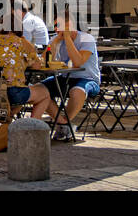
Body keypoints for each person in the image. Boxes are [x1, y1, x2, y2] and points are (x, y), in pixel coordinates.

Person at [28, 9, 101, 141]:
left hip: (87, 78)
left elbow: (78, 62)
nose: (56, 29)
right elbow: (44, 62)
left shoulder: (86, 38)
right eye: (55, 25)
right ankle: (63, 123)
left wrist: (67, 38)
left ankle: (64, 123)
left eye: (59, 25)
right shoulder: (55, 39)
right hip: (63, 77)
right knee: (38, 91)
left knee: (77, 91)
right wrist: (54, 43)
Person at [0, 23, 43, 116]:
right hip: (13, 92)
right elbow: (37, 66)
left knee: (22, 96)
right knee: (44, 94)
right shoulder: (21, 41)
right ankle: (33, 128)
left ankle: (7, 121)